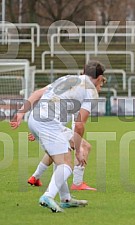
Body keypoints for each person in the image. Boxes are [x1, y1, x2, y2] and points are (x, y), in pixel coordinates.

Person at [10, 60, 106, 212]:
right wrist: (79, 151)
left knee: (59, 158)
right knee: (67, 164)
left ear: (83, 71)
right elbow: (80, 124)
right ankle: (48, 196)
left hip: (34, 118)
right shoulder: (91, 91)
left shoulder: (67, 78)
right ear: (100, 78)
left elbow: (37, 93)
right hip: (49, 123)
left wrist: (21, 112)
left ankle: (65, 198)